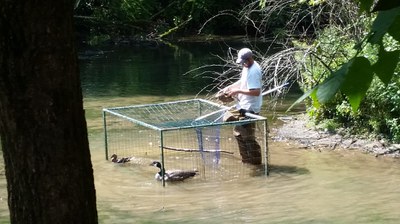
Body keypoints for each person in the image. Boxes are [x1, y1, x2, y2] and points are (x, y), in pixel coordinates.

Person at [219, 48, 263, 165]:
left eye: (244, 61)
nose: (242, 64)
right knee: (238, 134)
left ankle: (256, 165)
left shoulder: (254, 71)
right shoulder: (246, 67)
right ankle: (246, 161)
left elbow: (256, 92)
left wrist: (238, 91)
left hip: (250, 109)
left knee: (248, 138)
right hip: (242, 105)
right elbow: (242, 81)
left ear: (249, 59)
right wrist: (229, 87)